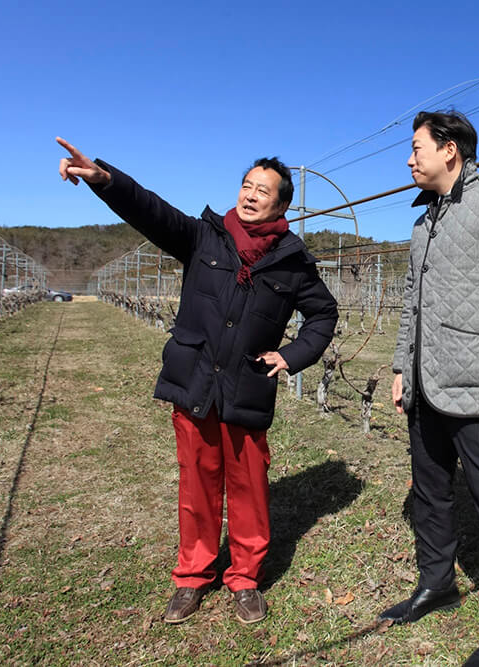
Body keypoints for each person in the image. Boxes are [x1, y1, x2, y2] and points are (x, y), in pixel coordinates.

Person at [57, 137, 337, 625]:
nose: (249, 195)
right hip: (196, 384)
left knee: (249, 489)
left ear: (282, 204)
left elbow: (323, 314)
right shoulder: (206, 236)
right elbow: (152, 211)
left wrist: (292, 356)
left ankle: (245, 578)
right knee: (198, 485)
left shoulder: (293, 263)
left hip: (247, 386)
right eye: (245, 186)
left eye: (261, 191)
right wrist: (105, 179)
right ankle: (193, 577)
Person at [382, 112, 479, 666]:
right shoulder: (423, 223)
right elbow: (411, 305)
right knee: (430, 491)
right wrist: (402, 366)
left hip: (477, 380)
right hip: (425, 383)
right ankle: (437, 583)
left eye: (417, 147)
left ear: (450, 150)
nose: (409, 158)